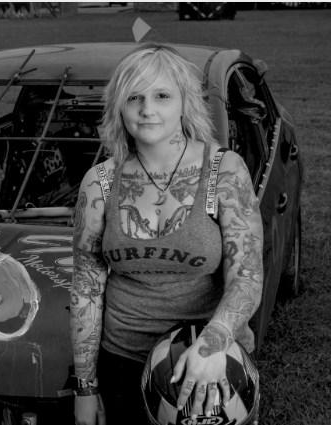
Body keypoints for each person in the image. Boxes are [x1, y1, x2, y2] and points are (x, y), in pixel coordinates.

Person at [70, 43, 264, 424]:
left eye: (162, 96)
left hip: (210, 361)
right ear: (118, 107)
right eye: (134, 97)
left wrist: (212, 345)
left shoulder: (224, 171)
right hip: (123, 361)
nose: (147, 109)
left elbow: (247, 274)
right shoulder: (99, 184)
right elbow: (86, 290)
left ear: (184, 102)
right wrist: (86, 387)